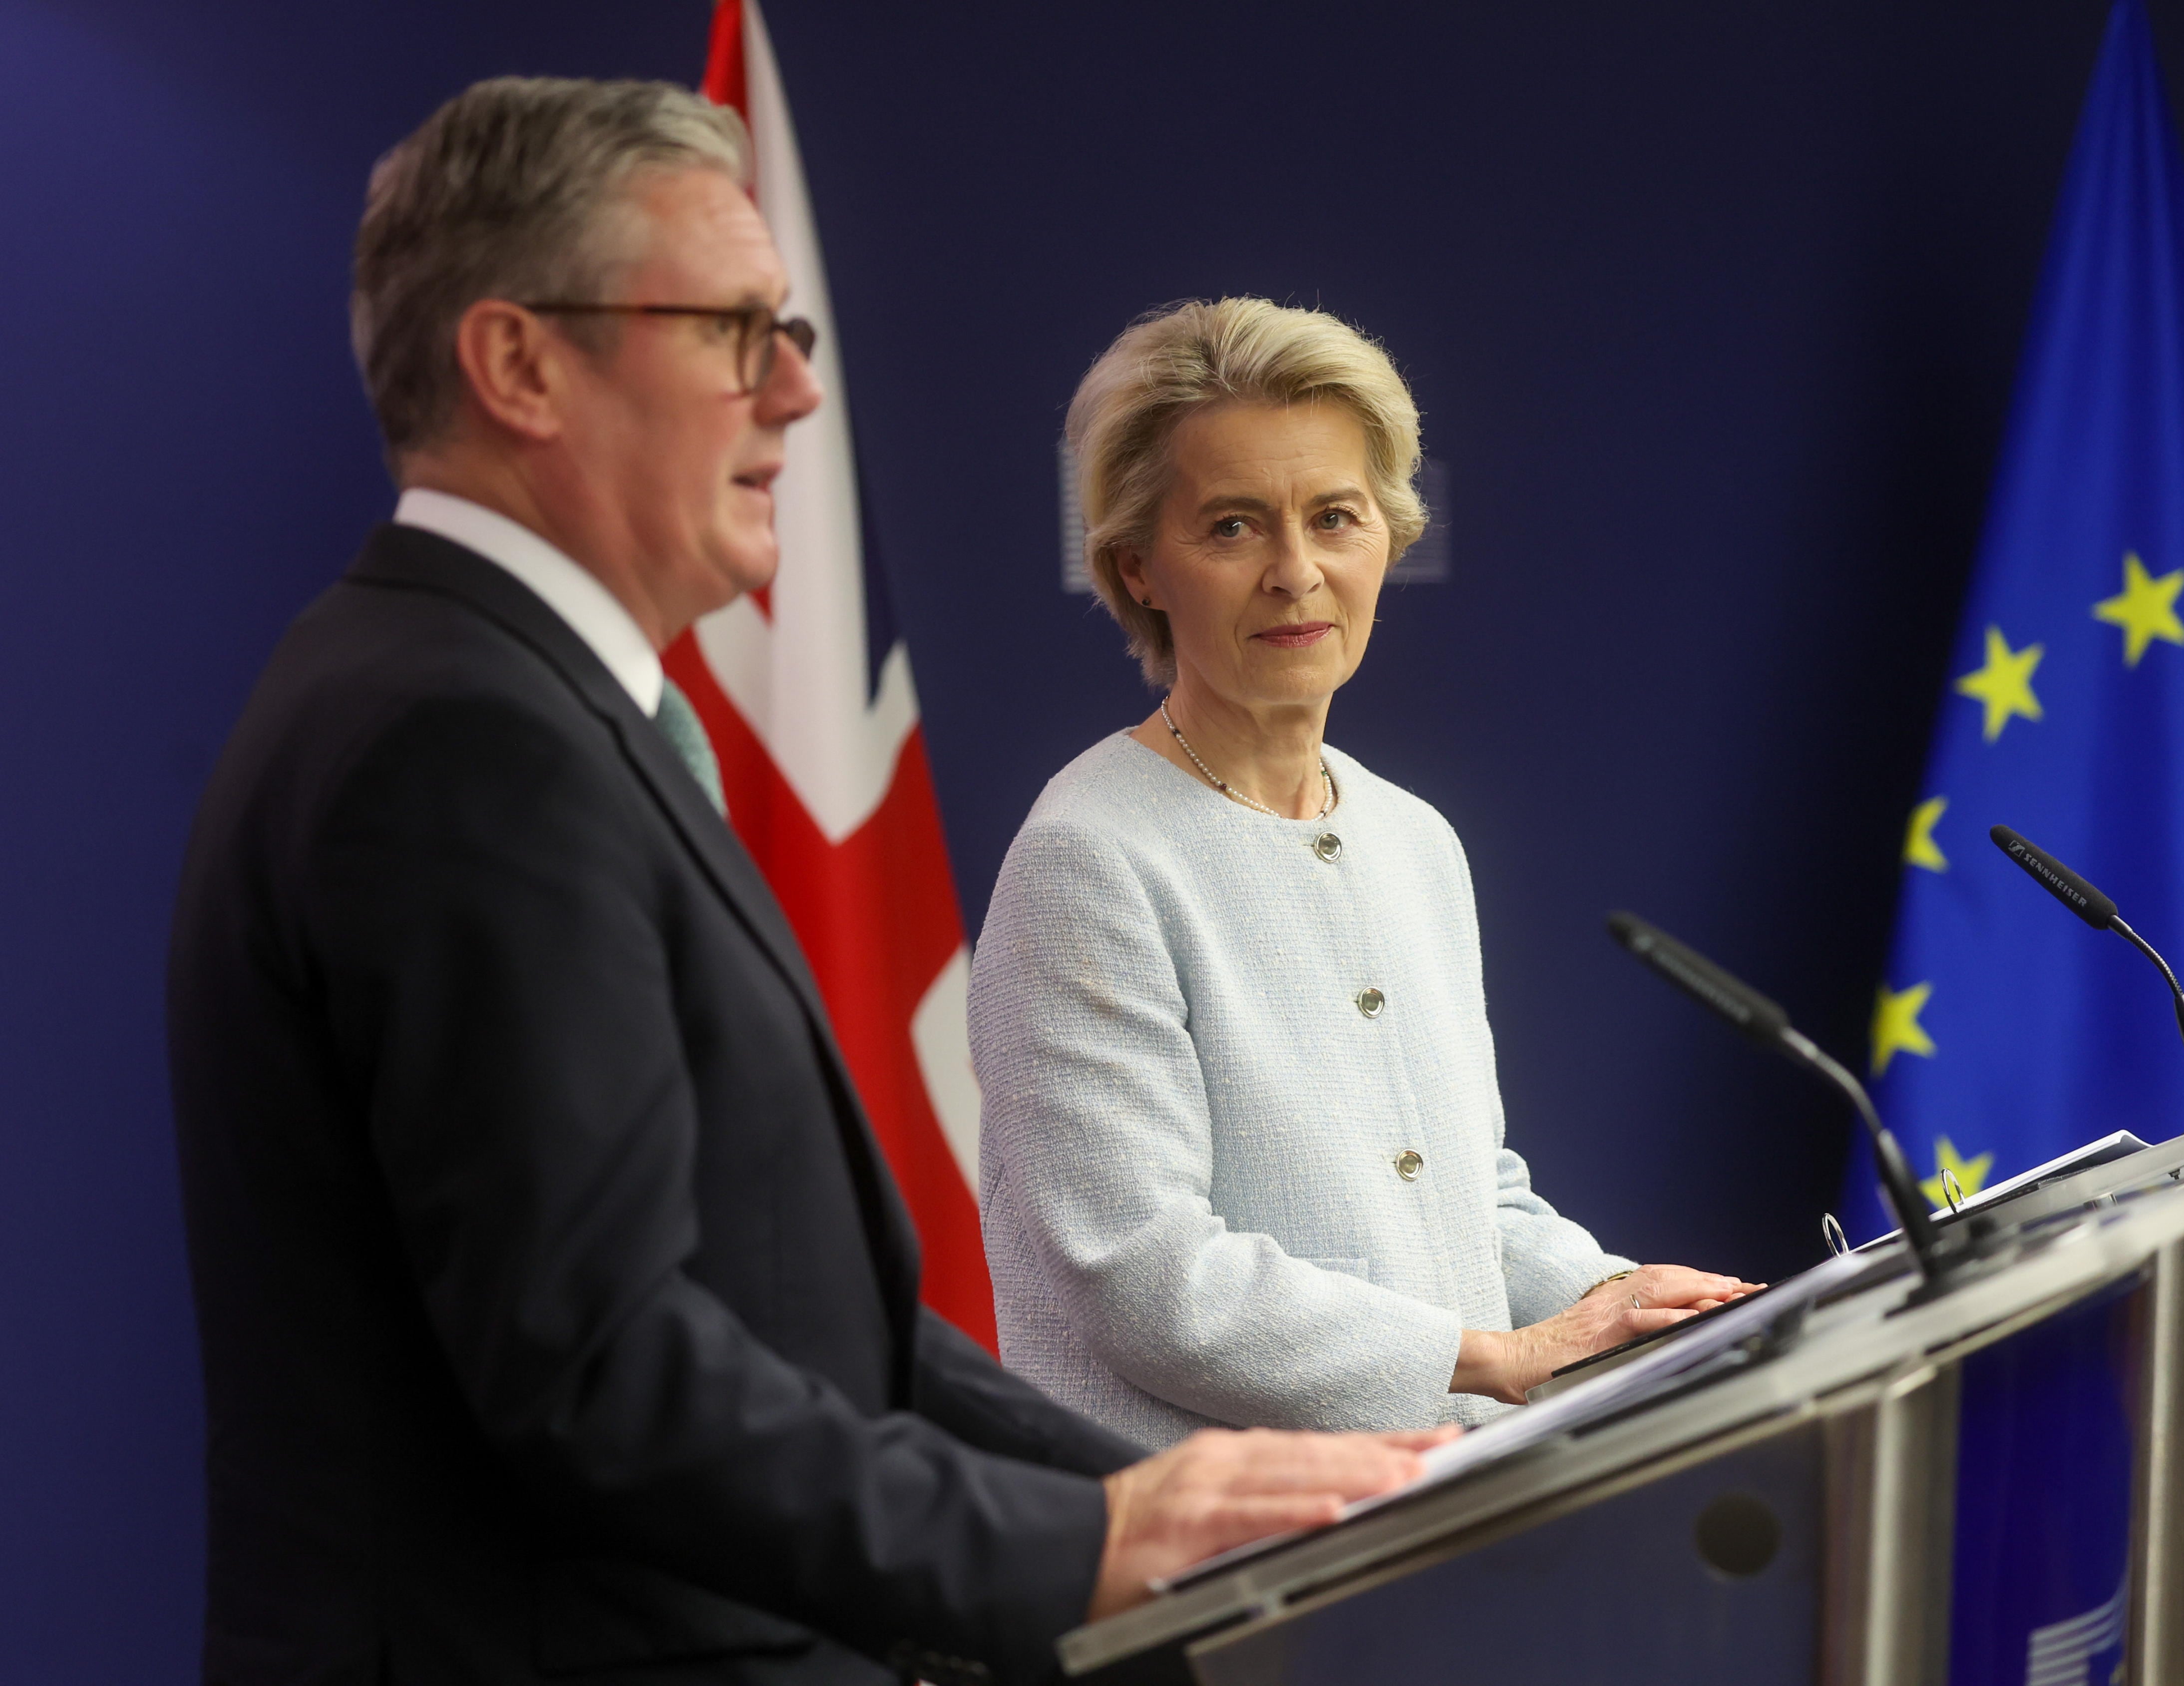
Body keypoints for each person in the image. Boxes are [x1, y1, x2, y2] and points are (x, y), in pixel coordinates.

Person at [166, 81, 1442, 1686]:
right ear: (517, 365)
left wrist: (1148, 1498)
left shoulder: (526, 702)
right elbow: (602, 1372)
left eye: (794, 337)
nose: (792, 398)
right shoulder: (459, 737)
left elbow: (804, 1326)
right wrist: (1079, 1552)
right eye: (731, 332)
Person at [972, 299, 1761, 1450]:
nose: (1295, 573)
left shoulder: (1412, 838)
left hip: (1423, 1516)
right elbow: (1141, 1275)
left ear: (1387, 536)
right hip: (1196, 1555)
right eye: (1234, 527)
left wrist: (1648, 1305)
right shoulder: (1087, 858)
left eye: (1333, 517)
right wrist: (1495, 1358)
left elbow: (1464, 1206)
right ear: (1138, 566)